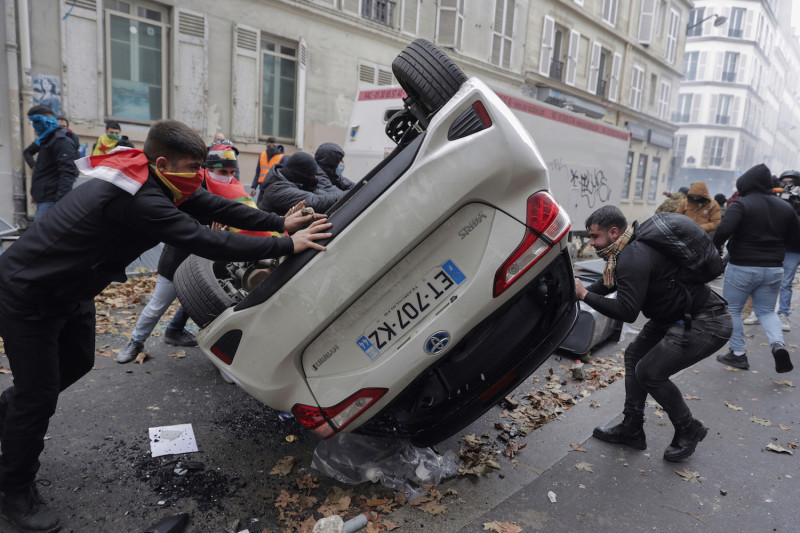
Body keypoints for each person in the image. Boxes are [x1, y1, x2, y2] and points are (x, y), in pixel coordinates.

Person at [0, 119, 331, 532]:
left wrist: (279, 222)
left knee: (79, 362)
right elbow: (205, 240)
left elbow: (212, 205)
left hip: (71, 290)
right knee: (39, 396)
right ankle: (14, 487)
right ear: (162, 161)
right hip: (29, 292)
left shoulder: (153, 175)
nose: (199, 174)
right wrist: (285, 245)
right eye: (193, 166)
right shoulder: (138, 198)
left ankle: (9, 416)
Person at [575, 206, 732, 462]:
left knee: (650, 372)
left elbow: (626, 311)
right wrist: (577, 293)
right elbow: (611, 283)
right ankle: (632, 427)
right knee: (635, 356)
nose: (592, 243)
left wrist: (584, 295)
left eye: (595, 237)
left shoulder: (631, 256)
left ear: (613, 232)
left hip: (706, 321)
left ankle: (688, 428)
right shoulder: (628, 249)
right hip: (675, 316)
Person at [713, 164, 800, 373]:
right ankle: (777, 344)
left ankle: (738, 354)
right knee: (767, 311)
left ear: (747, 184)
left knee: (732, 309)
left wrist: (715, 248)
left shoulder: (742, 205)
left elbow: (723, 231)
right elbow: (796, 238)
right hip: (773, 269)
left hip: (742, 265)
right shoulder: (785, 208)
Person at [22, 104, 79, 222]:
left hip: (52, 202)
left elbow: (68, 172)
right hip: (44, 200)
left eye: (36, 122)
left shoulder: (61, 141)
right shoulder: (46, 139)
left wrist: (60, 203)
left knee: (42, 238)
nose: (34, 127)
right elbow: (28, 153)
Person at [257, 152, 346, 215]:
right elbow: (315, 201)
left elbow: (319, 193)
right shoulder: (278, 189)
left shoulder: (292, 181)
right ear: (301, 175)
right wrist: (350, 194)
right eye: (313, 175)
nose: (316, 178)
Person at [775, 170, 800, 332]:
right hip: (776, 245)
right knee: (767, 281)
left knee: (786, 282)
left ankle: (783, 313)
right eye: (784, 182)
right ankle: (761, 312)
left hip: (794, 247)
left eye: (790, 182)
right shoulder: (776, 199)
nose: (787, 186)